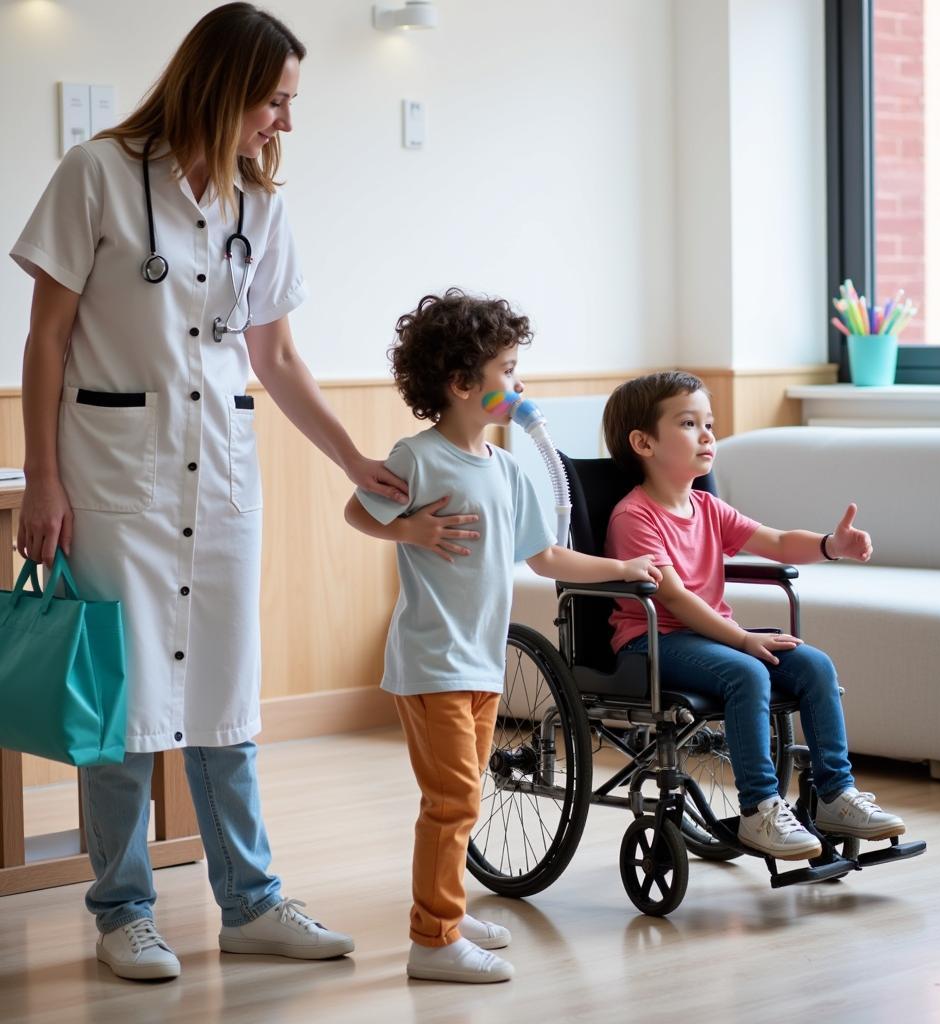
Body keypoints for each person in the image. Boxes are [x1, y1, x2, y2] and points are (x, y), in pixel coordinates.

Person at [10, 3, 418, 982]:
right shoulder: (98, 174)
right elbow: (46, 339)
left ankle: (251, 901)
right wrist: (42, 476)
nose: (285, 121)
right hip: (112, 478)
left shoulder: (257, 205)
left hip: (221, 479)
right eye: (274, 100)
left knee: (224, 696)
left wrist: (348, 456)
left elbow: (274, 355)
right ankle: (122, 909)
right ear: (224, 86)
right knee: (120, 699)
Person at [345, 289, 661, 983]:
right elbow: (357, 510)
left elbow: (546, 556)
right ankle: (432, 939)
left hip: (482, 661)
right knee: (452, 800)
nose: (519, 386)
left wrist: (621, 567)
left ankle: (448, 915)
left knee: (466, 795)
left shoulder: (510, 468)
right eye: (508, 371)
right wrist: (410, 529)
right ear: (463, 385)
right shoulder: (419, 457)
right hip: (432, 661)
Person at [601, 371, 907, 860]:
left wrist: (831, 545)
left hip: (713, 637)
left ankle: (834, 795)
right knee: (747, 671)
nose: (707, 436)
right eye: (688, 423)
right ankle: (760, 808)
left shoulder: (707, 506)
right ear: (643, 442)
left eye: (710, 424)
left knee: (814, 665)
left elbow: (780, 541)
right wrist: (742, 639)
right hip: (654, 640)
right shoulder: (634, 516)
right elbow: (675, 599)